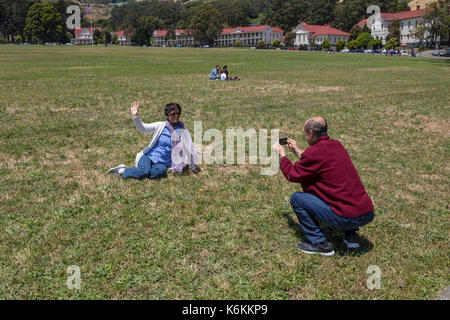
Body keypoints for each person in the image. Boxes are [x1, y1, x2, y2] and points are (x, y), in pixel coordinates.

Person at [274, 117, 375, 256]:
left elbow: (293, 174)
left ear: (310, 133)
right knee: (343, 191)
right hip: (366, 212)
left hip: (347, 216)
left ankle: (320, 244)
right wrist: (297, 151)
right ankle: (351, 236)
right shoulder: (336, 145)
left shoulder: (313, 153)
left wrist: (282, 156)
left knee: (297, 198)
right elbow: (316, 163)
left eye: (305, 132)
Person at [108, 101, 199, 179]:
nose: (176, 116)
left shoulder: (182, 130)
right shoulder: (160, 126)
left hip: (162, 163)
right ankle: (121, 170)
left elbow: (189, 146)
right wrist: (136, 117)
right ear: (167, 115)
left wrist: (192, 166)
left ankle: (138, 171)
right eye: (172, 114)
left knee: (160, 173)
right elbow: (143, 128)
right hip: (148, 157)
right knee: (145, 172)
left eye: (178, 113)